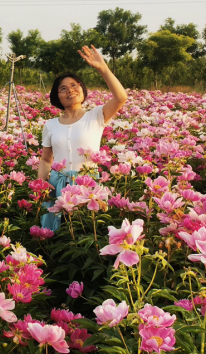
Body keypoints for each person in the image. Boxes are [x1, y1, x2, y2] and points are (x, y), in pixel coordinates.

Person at [38, 45, 127, 231]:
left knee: (85, 230)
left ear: (82, 89)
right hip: (56, 185)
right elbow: (46, 159)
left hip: (87, 184)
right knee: (58, 234)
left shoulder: (95, 116)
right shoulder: (50, 125)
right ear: (57, 97)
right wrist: (42, 186)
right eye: (63, 89)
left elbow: (121, 97)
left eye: (74, 85)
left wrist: (103, 68)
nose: (69, 90)